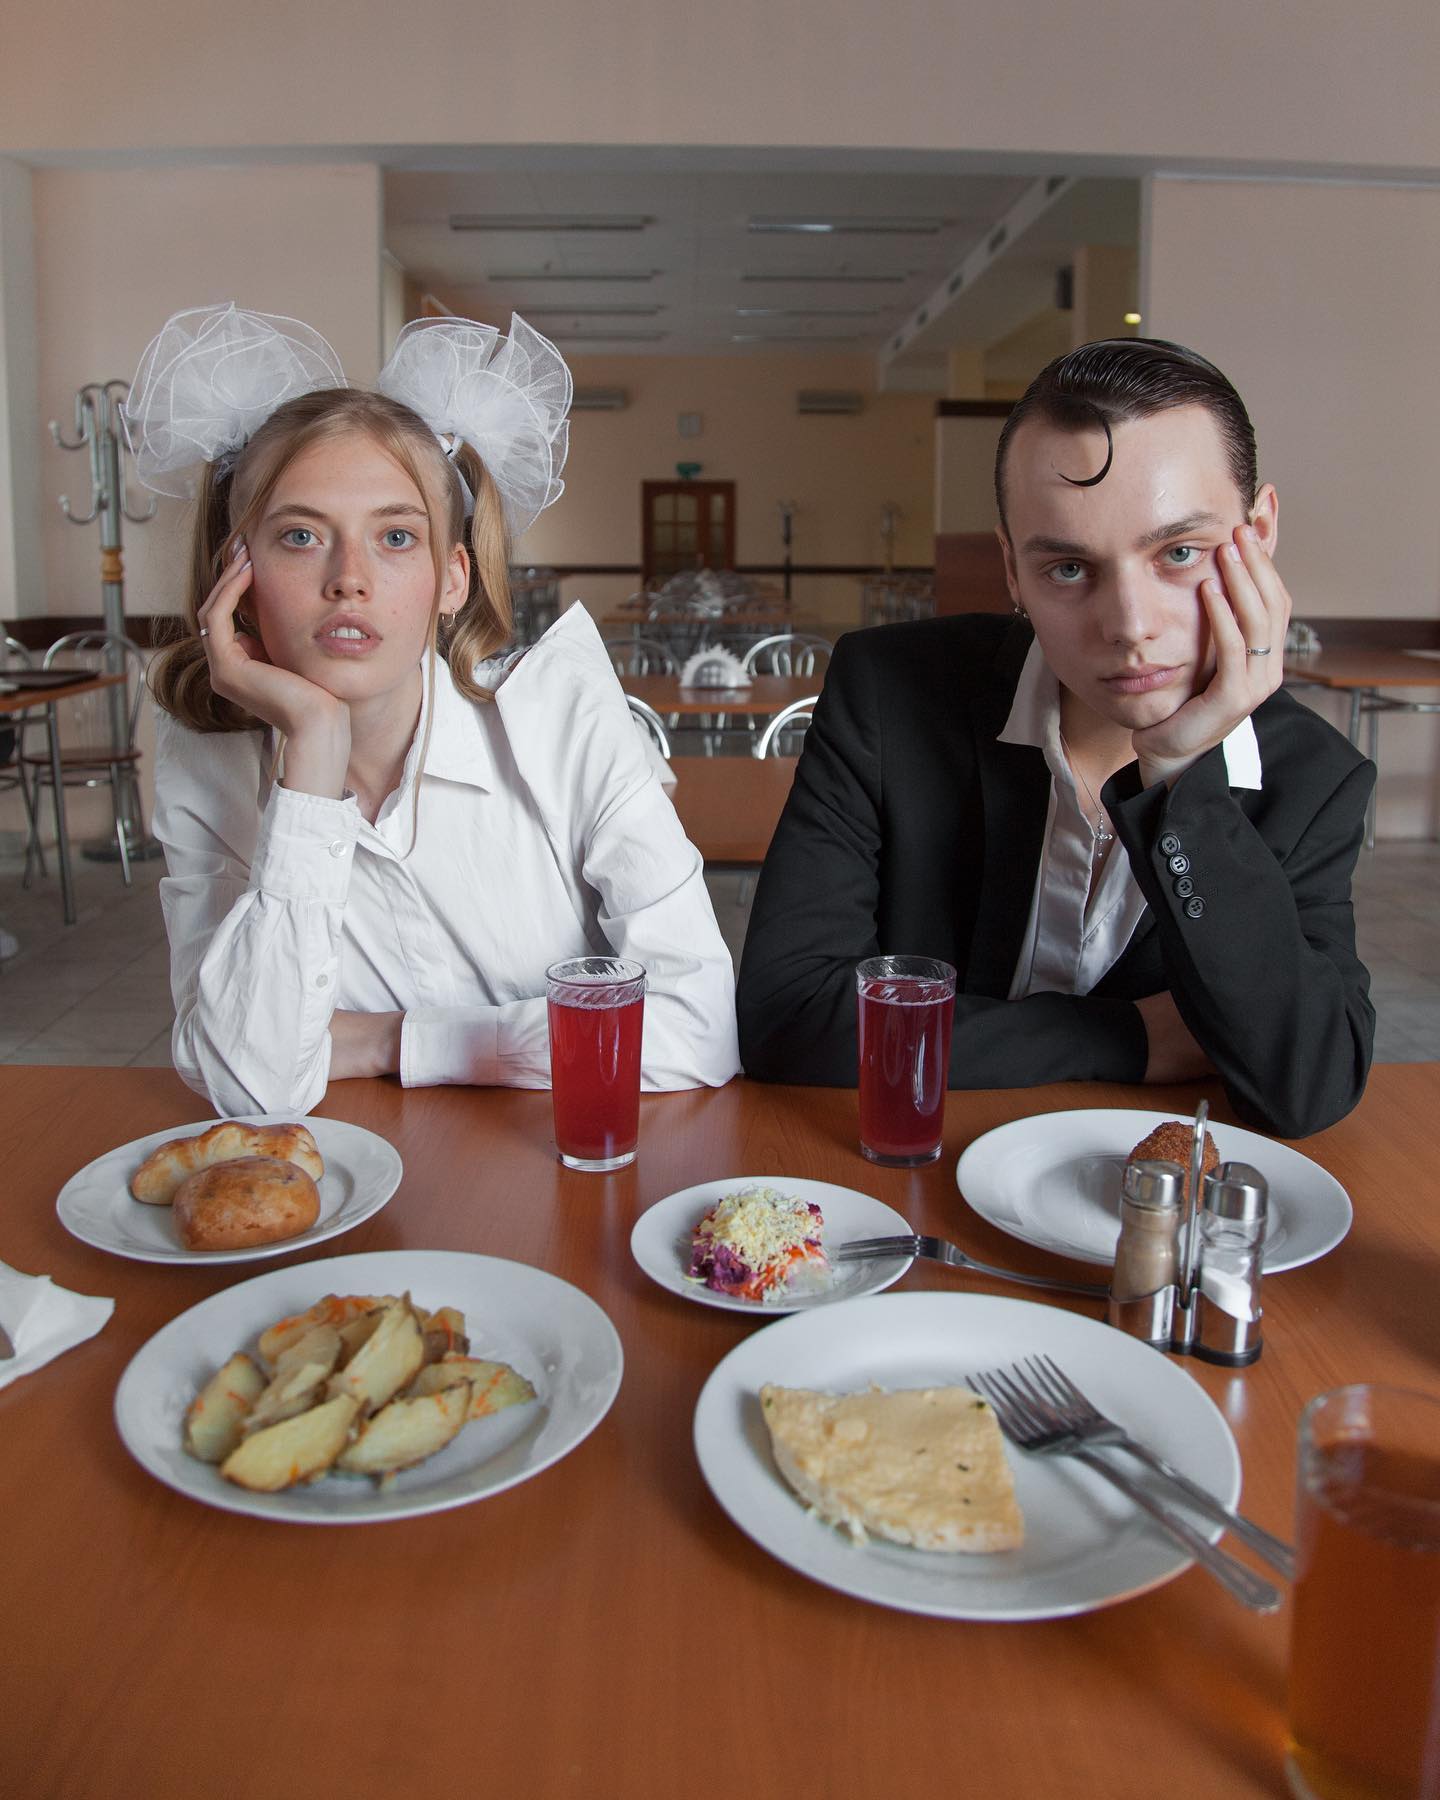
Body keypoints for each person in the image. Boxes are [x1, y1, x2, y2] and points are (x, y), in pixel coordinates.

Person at [737, 337, 1373, 1139]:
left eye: (1179, 552)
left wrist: (1180, 777)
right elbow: (785, 1015)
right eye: (1068, 569)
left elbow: (1309, 1082)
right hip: (913, 1182)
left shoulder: (1313, 778)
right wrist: (1131, 1035)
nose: (1130, 628)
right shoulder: (889, 692)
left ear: (1261, 533)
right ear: (1011, 569)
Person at [129, 304, 739, 1117]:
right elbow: (250, 1085)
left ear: (453, 579)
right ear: (232, 578)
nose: (350, 578)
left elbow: (699, 1028)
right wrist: (310, 755)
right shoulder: (205, 760)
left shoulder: (564, 716)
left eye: (395, 538)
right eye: (300, 537)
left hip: (575, 1173)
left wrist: (390, 1041)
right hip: (356, 1191)